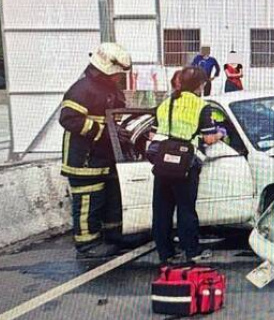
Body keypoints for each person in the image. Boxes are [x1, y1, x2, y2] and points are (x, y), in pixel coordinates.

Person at [60, 43, 134, 259]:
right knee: (88, 201)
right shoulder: (82, 89)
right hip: (84, 159)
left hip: (106, 157)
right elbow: (69, 119)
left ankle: (114, 235)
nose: (119, 77)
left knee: (111, 198)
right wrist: (104, 131)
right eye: (117, 74)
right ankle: (87, 243)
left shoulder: (110, 90)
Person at [152, 66, 225, 265]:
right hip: (185, 163)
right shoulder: (201, 106)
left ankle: (165, 253)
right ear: (200, 85)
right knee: (186, 209)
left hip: (163, 161)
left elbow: (153, 134)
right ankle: (192, 252)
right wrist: (221, 133)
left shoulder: (165, 104)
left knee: (161, 210)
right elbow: (209, 139)